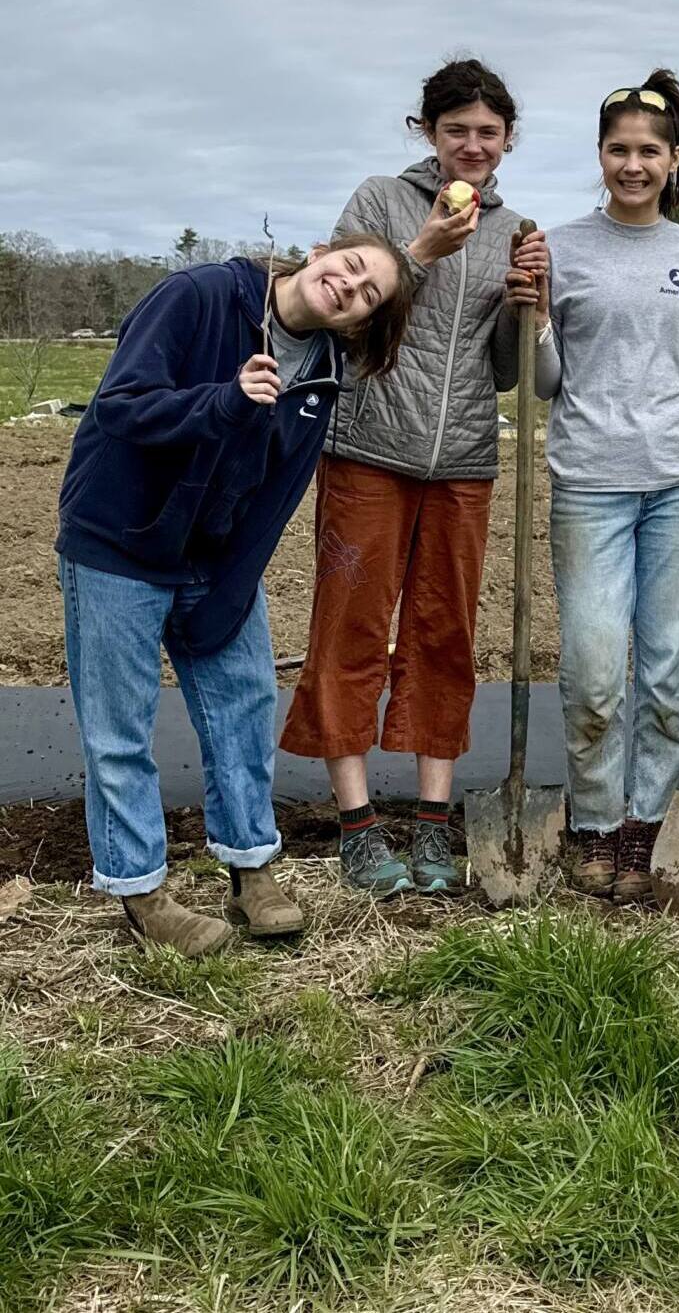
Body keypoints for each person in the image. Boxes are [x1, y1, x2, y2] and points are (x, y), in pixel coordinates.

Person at [58, 236, 413, 956]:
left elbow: (277, 495)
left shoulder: (322, 373)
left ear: (359, 324)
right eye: (350, 267)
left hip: (215, 561)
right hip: (120, 540)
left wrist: (236, 581)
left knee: (244, 711)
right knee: (118, 732)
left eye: (369, 294)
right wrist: (221, 402)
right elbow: (122, 406)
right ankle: (142, 893)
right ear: (318, 254)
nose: (350, 287)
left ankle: (252, 870)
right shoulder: (200, 297)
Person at [279, 58, 548, 898]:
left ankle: (434, 822)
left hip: (464, 459)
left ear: (508, 141)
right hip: (368, 450)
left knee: (444, 634)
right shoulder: (380, 203)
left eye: (488, 133)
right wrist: (423, 250)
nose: (473, 146)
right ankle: (358, 827)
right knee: (351, 629)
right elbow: (349, 318)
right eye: (456, 129)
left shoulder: (517, 228)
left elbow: (506, 373)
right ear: (426, 132)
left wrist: (521, 303)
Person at [511, 71, 679, 905]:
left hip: (678, 480)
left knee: (667, 673)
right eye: (618, 149)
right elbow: (541, 383)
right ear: (600, 156)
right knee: (596, 670)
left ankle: (644, 825)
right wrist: (532, 316)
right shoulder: (558, 248)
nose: (633, 164)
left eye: (648, 152)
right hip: (589, 480)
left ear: (673, 161)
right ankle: (591, 819)